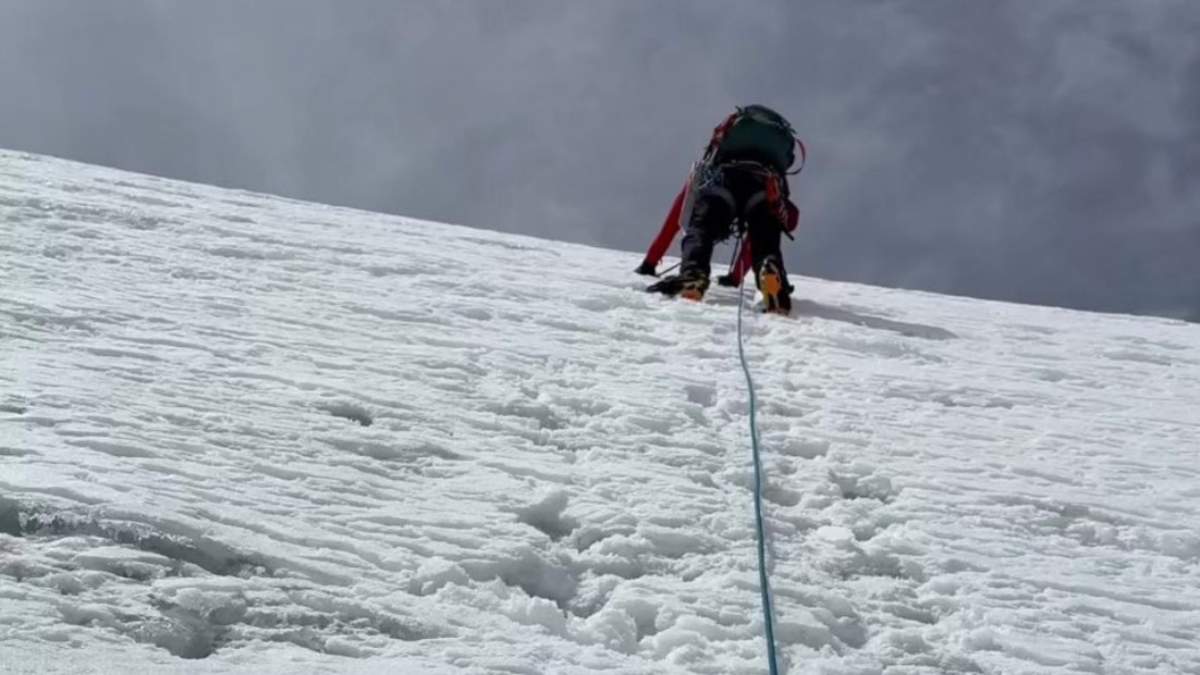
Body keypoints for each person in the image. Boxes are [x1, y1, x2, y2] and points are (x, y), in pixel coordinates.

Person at [638, 105, 803, 314]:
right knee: (764, 237)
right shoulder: (772, 172)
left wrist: (649, 264)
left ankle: (693, 274)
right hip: (765, 188)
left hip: (723, 182)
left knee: (701, 228)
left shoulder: (710, 167)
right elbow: (751, 244)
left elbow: (676, 219)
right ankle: (771, 274)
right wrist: (734, 278)